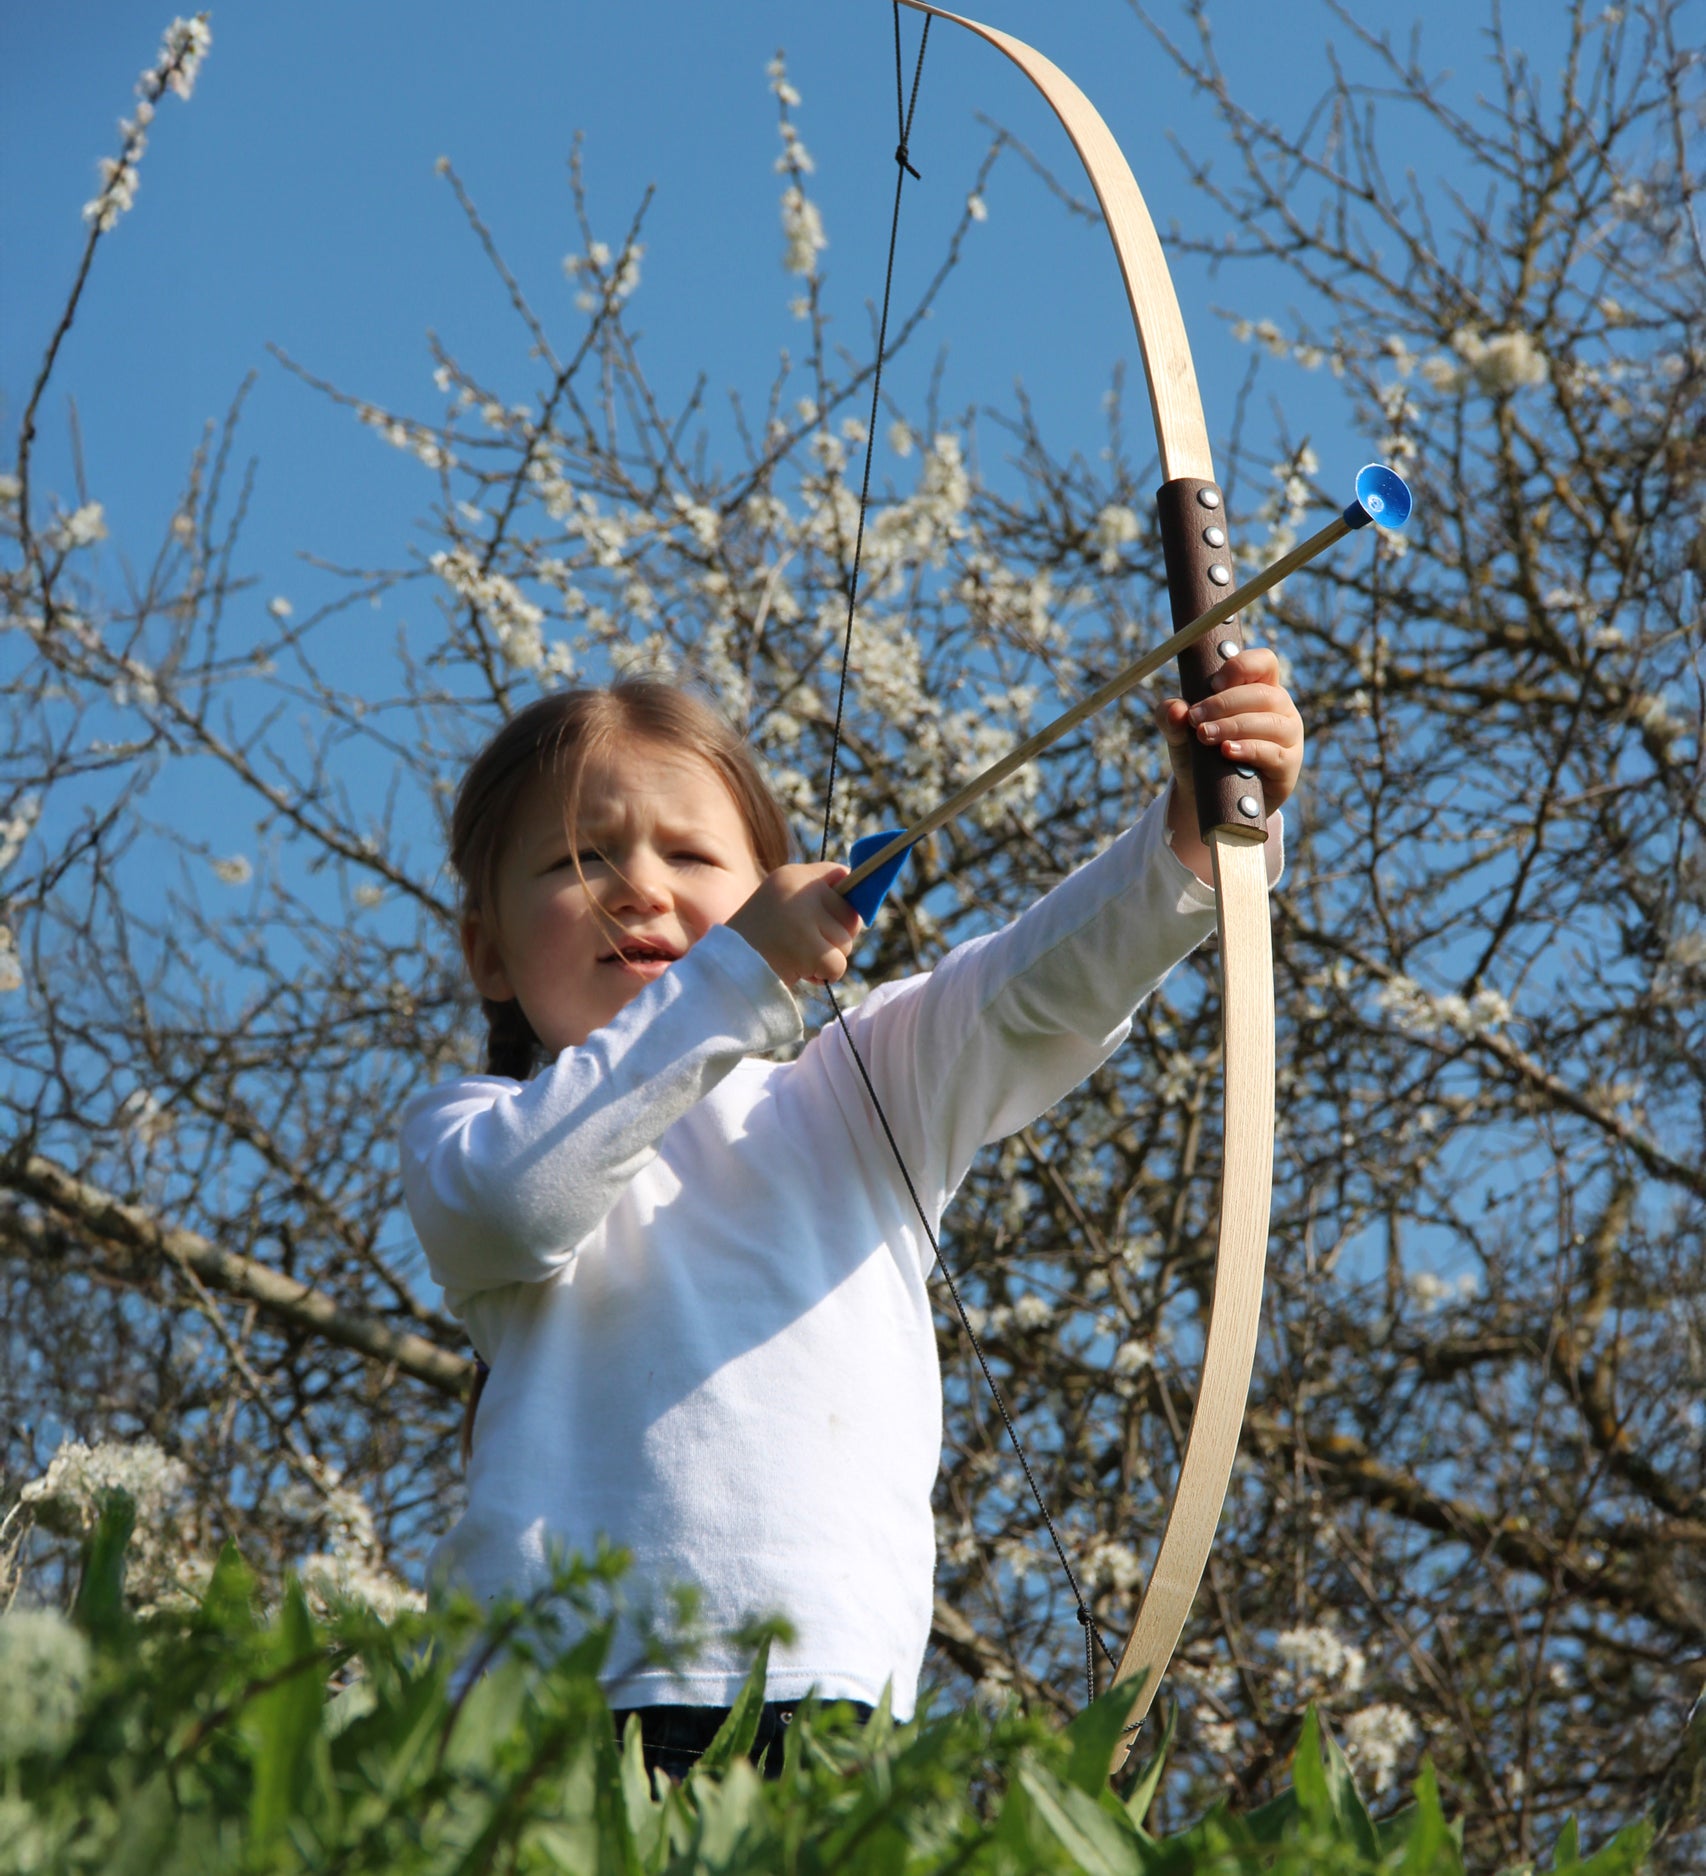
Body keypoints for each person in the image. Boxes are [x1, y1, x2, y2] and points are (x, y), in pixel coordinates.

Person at [401, 663, 1302, 1778]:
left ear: (779, 887)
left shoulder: (854, 1083)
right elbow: (514, 1202)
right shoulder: (477, 1127)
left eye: (687, 855)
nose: (636, 886)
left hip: (828, 1699)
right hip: (542, 1707)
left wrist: (1196, 826)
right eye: (578, 859)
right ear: (485, 948)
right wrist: (735, 972)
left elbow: (1039, 984)